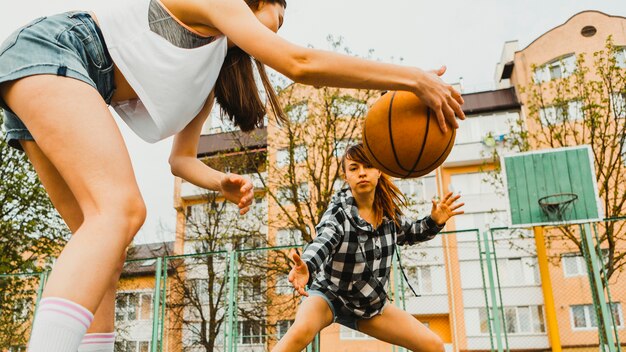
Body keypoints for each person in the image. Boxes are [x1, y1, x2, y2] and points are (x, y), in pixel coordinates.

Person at [0, 0, 465, 351]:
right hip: (56, 50)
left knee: (102, 243)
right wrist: (411, 78)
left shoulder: (208, 72)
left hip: (54, 71)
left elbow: (180, 160)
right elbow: (299, 64)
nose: (277, 33)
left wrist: (220, 181)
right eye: (277, 19)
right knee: (120, 210)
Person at [276, 144, 464, 352]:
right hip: (329, 296)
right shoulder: (339, 213)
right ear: (346, 176)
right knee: (298, 332)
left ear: (379, 171)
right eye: (354, 168)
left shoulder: (388, 215)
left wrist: (434, 221)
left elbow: (411, 232)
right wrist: (308, 266)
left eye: (368, 166)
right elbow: (324, 239)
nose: (362, 173)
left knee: (434, 345)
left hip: (369, 306)